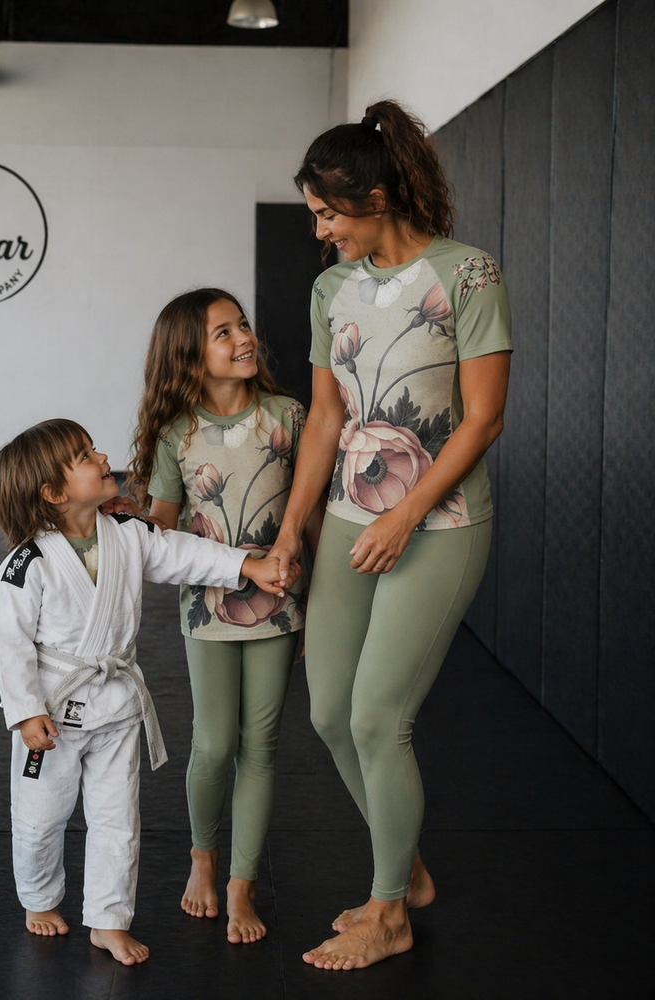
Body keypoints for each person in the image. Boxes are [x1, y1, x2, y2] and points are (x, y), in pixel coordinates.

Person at [270, 100, 513, 970]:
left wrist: (407, 514)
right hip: (346, 518)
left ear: (376, 197)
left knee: (379, 718)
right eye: (314, 216)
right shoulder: (330, 288)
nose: (321, 231)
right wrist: (294, 531)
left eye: (329, 214)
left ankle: (389, 912)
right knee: (330, 711)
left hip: (438, 521)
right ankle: (402, 868)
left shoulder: (468, 274)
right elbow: (326, 420)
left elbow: (482, 420)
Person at [0, 418, 297, 965]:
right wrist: (24, 712)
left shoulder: (129, 533)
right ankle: (38, 898)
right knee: (41, 815)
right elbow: (10, 645)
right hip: (52, 714)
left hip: (115, 706)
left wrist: (245, 565)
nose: (101, 455)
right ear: (55, 494)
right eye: (84, 455)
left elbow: (183, 553)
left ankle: (107, 919)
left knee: (118, 820)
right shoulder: (26, 565)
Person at [125, 288, 320, 945]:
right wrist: (129, 519)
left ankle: (242, 884)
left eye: (243, 324)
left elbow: (311, 518)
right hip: (207, 610)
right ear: (189, 356)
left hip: (279, 603)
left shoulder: (290, 417)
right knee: (213, 744)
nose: (243, 337)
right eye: (222, 332)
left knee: (260, 748)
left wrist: (314, 604)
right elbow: (164, 534)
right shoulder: (177, 434)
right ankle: (202, 860)